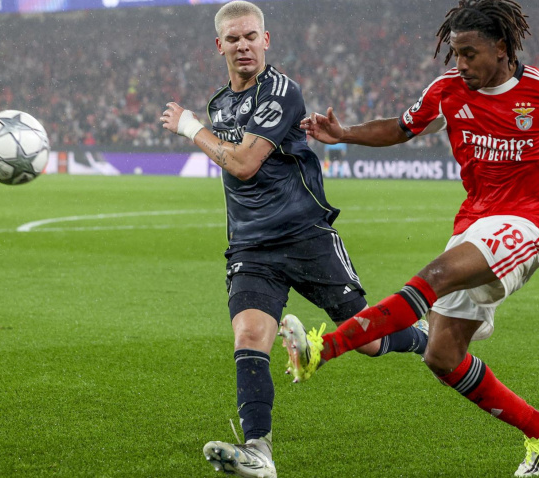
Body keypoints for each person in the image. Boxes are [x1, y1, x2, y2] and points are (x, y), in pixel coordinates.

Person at [279, 1, 539, 476]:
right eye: (455, 54)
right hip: (476, 220)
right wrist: (343, 134)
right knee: (441, 355)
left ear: (502, 49)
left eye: (470, 53)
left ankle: (322, 351)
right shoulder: (447, 90)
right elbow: (402, 129)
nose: (460, 64)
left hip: (536, 220)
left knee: (436, 276)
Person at [158, 2, 428, 477]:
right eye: (233, 39)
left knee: (364, 337)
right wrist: (202, 127)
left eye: (251, 36)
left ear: (266, 40)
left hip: (306, 237)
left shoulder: (282, 91)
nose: (243, 46)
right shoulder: (219, 103)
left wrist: (188, 127)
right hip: (250, 247)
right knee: (249, 335)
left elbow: (242, 163)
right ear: (219, 45)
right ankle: (259, 451)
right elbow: (232, 161)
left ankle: (429, 337)